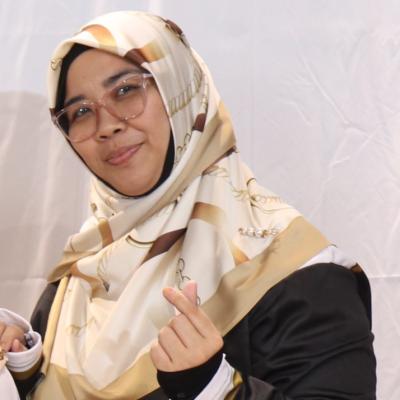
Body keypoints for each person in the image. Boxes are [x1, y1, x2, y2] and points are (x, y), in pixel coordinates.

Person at [0, 10, 376, 399]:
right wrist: (24, 374)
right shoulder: (81, 274)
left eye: (125, 90)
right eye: (80, 112)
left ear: (180, 89)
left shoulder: (293, 271)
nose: (105, 125)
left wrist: (214, 386)